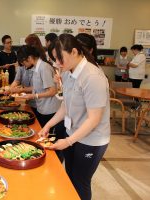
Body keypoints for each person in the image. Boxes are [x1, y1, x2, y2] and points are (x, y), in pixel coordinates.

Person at [39, 34, 110, 200]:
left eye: (59, 59)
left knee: (80, 181)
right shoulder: (67, 72)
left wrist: (69, 141)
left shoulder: (93, 77)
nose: (57, 64)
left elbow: (94, 119)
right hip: (73, 133)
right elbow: (66, 105)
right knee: (69, 175)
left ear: (74, 52)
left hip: (92, 139)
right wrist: (48, 125)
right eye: (54, 60)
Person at [17, 45, 65, 161]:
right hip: (42, 108)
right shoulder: (36, 68)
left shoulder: (44, 67)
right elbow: (39, 86)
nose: (23, 65)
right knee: (43, 138)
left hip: (51, 111)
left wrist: (34, 95)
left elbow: (52, 91)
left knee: (51, 141)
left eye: (23, 61)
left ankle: (55, 164)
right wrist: (24, 90)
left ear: (29, 58)